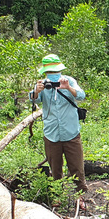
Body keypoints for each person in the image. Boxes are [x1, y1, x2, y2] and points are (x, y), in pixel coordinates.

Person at [30, 54, 89, 195]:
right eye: (50, 73)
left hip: (71, 131)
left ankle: (80, 196)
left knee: (77, 167)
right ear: (45, 73)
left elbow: (81, 95)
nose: (54, 76)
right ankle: (57, 195)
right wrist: (37, 91)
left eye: (55, 72)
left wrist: (68, 88)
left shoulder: (69, 81)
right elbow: (33, 100)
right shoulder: (42, 84)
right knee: (55, 168)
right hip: (51, 133)